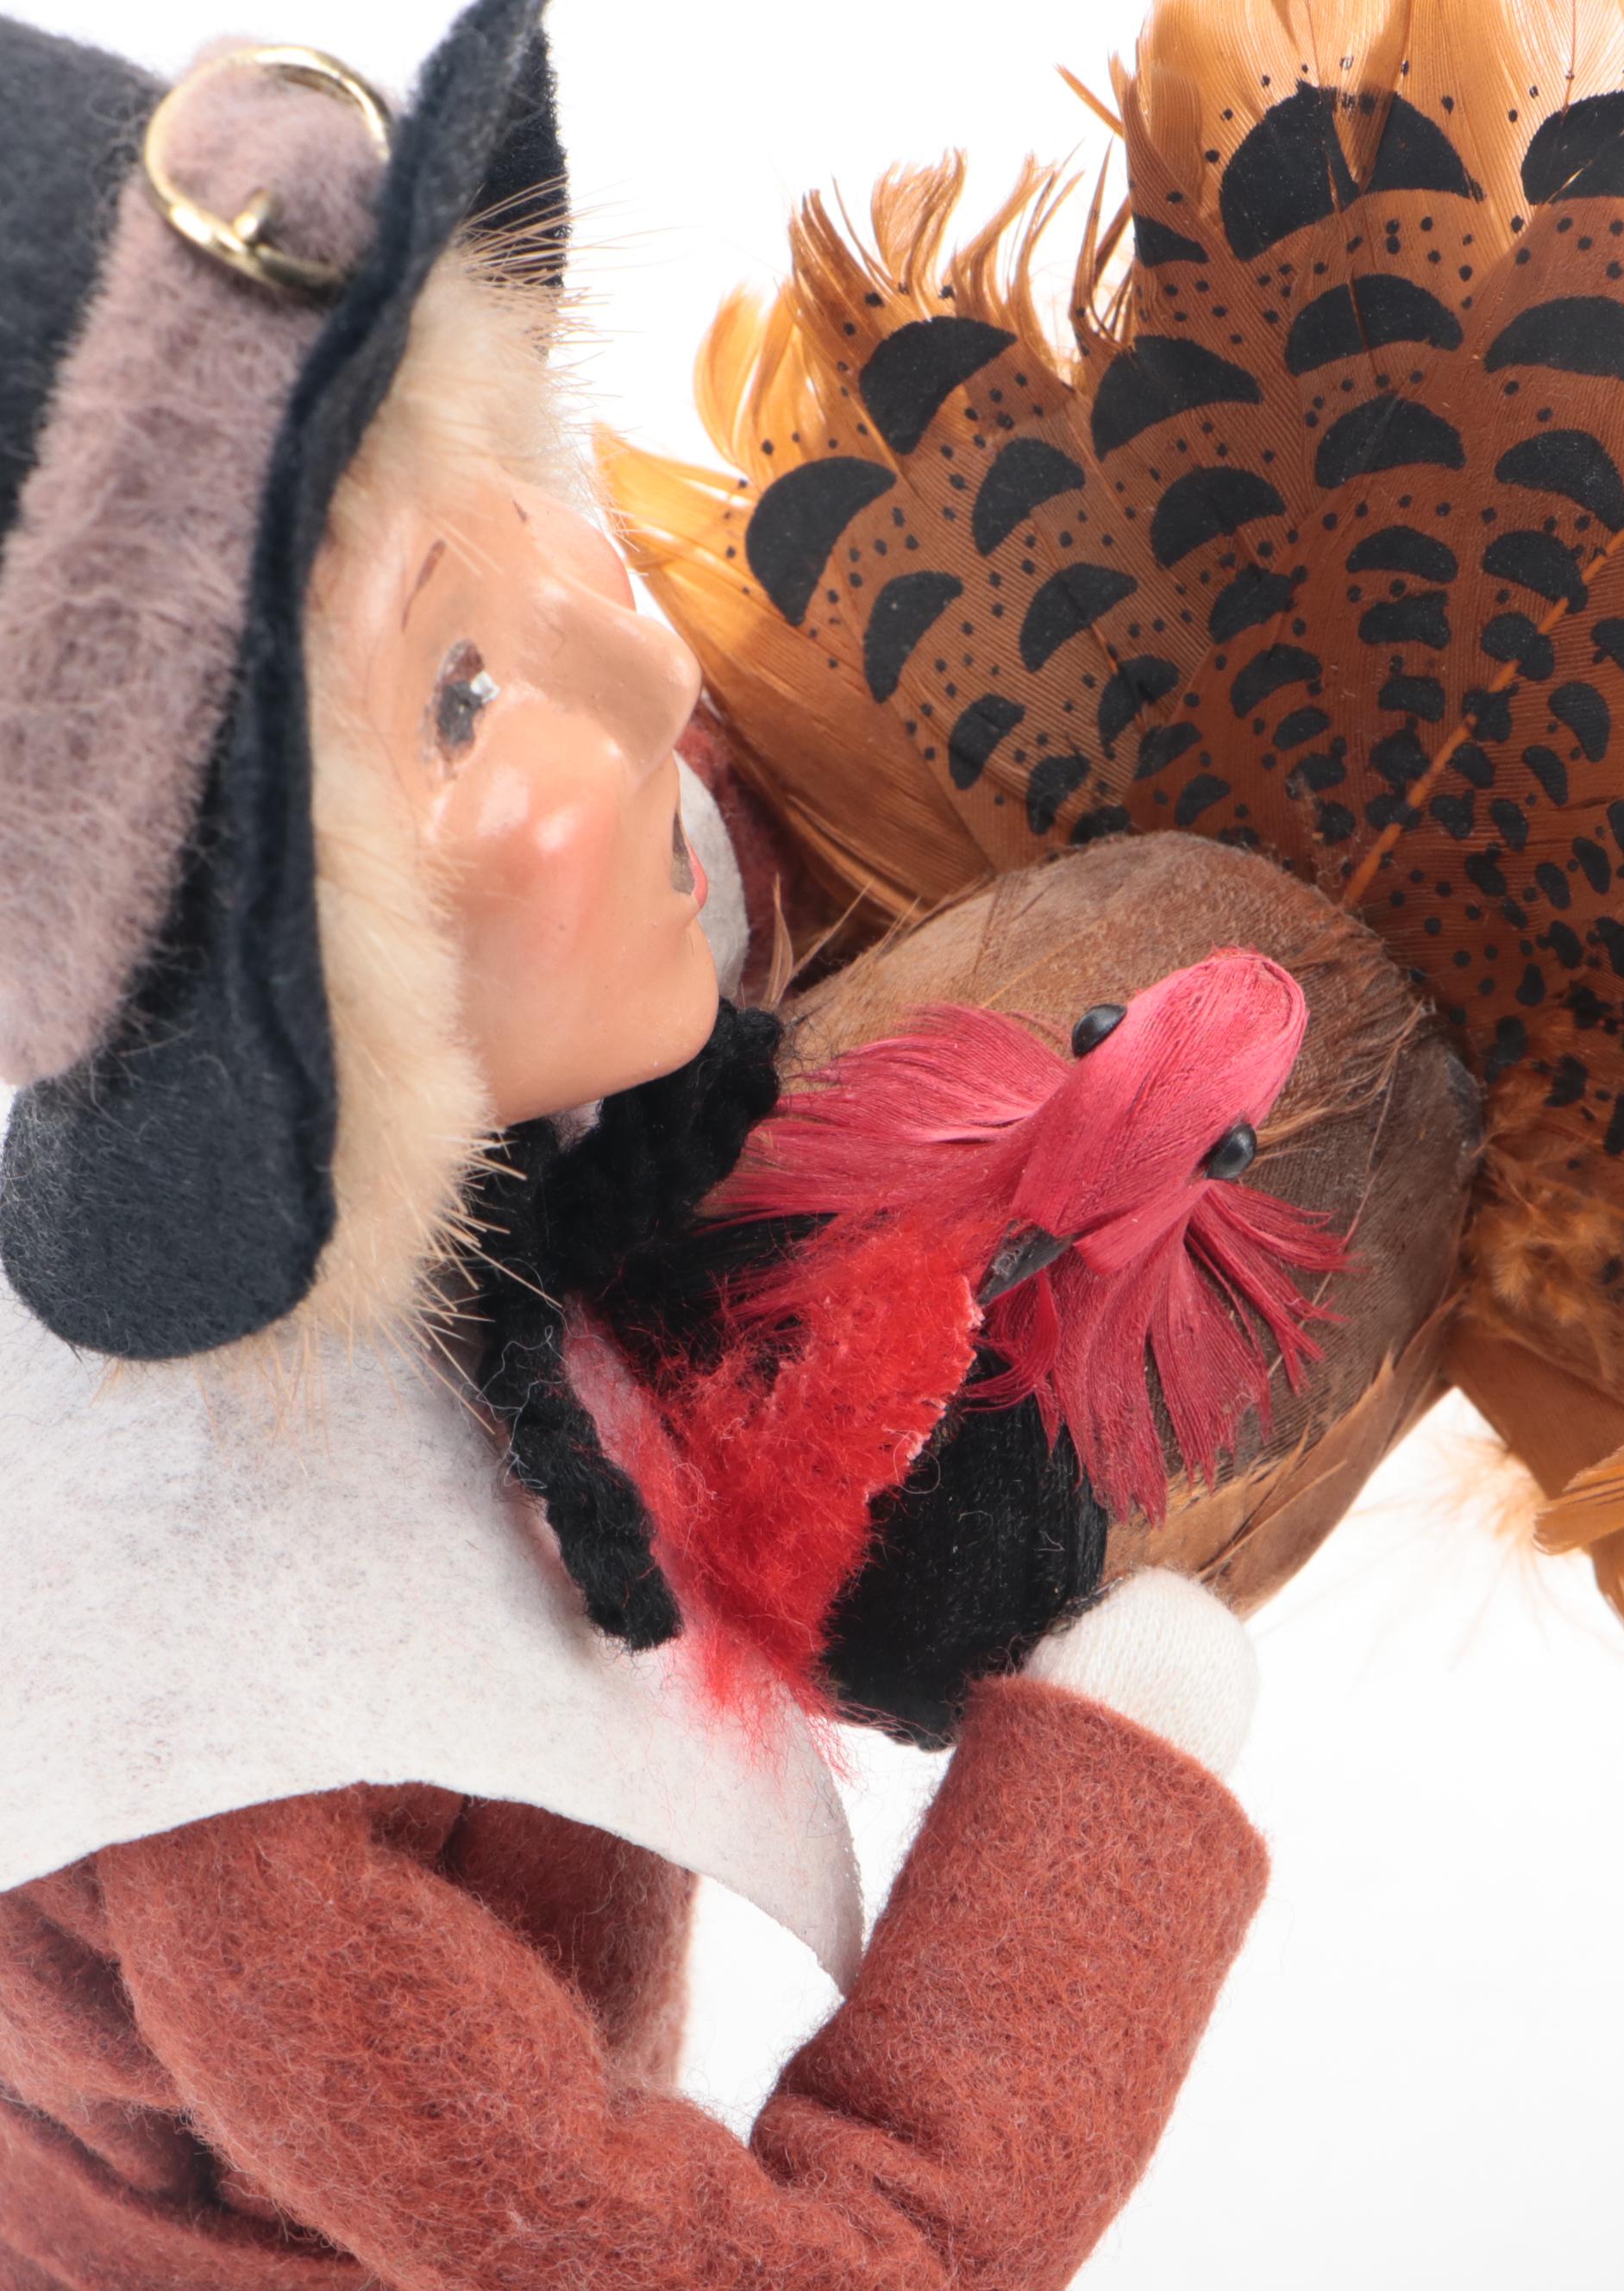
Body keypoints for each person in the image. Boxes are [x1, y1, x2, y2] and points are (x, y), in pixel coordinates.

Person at [0, 9, 1278, 2283]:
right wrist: (1113, 1812)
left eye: (527, 494)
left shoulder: (542, 1085)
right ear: (252, 985)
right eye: (454, 690)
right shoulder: (233, 1804)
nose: (646, 666)